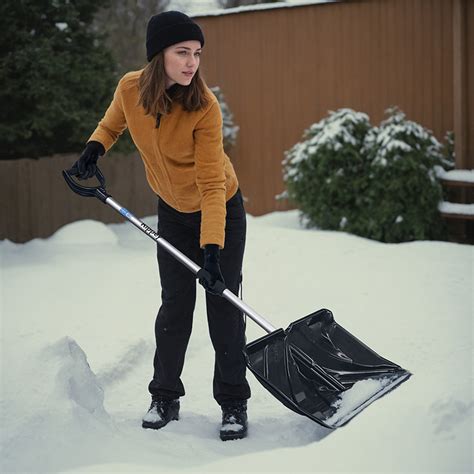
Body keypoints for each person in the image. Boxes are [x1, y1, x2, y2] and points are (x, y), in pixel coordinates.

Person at [72, 11, 251, 441]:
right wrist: (94, 148)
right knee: (174, 306)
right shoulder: (131, 88)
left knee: (222, 308)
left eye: (197, 54)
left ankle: (233, 403)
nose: (192, 63)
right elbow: (115, 121)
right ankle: (165, 396)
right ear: (159, 56)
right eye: (182, 53)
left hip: (219, 210)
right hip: (171, 210)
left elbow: (211, 184)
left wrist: (211, 251)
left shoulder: (203, 108)